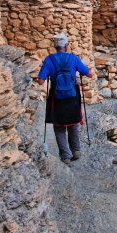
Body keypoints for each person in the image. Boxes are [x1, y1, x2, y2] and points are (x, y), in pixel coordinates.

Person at [37, 32, 96, 163]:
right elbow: (89, 74)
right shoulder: (73, 59)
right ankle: (76, 151)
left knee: (59, 126)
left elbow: (41, 81)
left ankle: (65, 156)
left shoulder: (49, 60)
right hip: (72, 96)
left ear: (55, 46)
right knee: (72, 123)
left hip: (57, 97)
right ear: (66, 45)